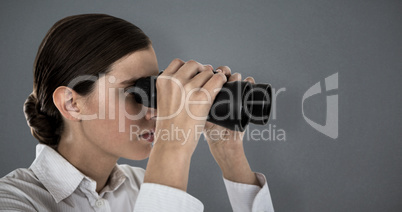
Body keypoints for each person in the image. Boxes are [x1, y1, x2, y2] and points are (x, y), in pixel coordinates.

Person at [0, 14, 274, 212]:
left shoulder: (144, 184)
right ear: (72, 103)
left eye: (156, 89)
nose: (157, 109)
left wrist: (229, 154)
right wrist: (173, 144)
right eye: (135, 92)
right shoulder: (13, 201)